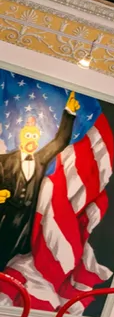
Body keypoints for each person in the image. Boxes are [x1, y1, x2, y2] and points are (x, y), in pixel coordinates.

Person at [0, 93, 78, 268]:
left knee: (11, 259)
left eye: (35, 138)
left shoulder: (40, 159)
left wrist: (69, 113)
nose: (32, 141)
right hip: (4, 218)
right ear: (21, 137)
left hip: (25, 222)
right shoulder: (3, 161)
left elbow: (60, 141)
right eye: (28, 136)